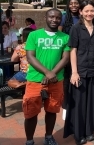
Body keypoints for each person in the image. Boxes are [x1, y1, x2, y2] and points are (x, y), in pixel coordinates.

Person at [23, 9, 70, 145]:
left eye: (57, 18)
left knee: (52, 110)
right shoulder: (34, 35)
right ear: (46, 17)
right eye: (51, 17)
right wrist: (46, 72)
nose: (54, 20)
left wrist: (51, 74)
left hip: (56, 80)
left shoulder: (65, 37)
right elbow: (30, 56)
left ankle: (49, 136)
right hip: (35, 79)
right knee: (31, 112)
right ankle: (29, 140)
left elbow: (65, 58)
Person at [63, 0, 94, 145]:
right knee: (79, 103)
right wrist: (74, 72)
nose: (89, 13)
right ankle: (78, 133)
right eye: (86, 11)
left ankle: (89, 130)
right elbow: (73, 50)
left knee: (92, 102)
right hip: (80, 69)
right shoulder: (76, 28)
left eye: (91, 11)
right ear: (80, 12)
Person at [58, 0, 81, 119]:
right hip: (67, 51)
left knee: (78, 79)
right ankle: (66, 107)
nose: (73, 5)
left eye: (76, 3)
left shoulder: (82, 16)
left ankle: (78, 106)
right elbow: (59, 34)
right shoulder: (64, 17)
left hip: (80, 53)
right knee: (67, 81)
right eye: (71, 3)